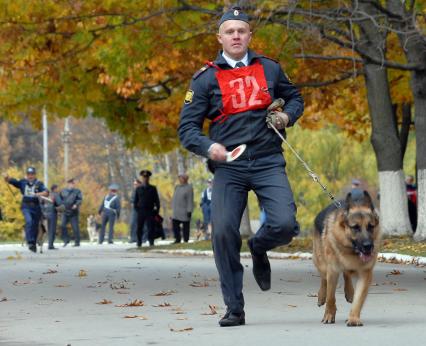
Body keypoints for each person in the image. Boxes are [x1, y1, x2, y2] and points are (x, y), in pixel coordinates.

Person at [178, 6, 304, 327]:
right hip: (228, 167)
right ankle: (234, 307)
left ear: (250, 35)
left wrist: (286, 115)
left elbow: (295, 98)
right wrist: (210, 148)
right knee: (222, 232)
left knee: (286, 225)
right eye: (230, 31)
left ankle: (259, 247)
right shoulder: (205, 79)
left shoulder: (271, 69)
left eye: (241, 31)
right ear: (219, 37)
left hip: (267, 161)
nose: (236, 36)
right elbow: (187, 129)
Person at [3, 167, 48, 252]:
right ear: (27, 175)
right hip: (26, 206)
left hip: (36, 207)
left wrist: (38, 193)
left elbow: (46, 192)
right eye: (29, 174)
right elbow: (12, 181)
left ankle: (33, 243)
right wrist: (6, 177)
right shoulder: (22, 182)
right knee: (29, 221)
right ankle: (30, 241)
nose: (30, 176)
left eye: (32, 174)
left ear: (34, 175)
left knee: (35, 226)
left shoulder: (39, 183)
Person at [134, 170, 160, 247]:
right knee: (139, 227)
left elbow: (157, 200)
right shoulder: (138, 189)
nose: (145, 179)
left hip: (150, 210)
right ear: (142, 178)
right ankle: (139, 242)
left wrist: (156, 210)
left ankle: (151, 241)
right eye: (144, 177)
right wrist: (137, 210)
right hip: (141, 211)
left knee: (151, 227)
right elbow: (135, 201)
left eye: (147, 177)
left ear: (149, 178)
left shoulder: (153, 188)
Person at [58, 178, 83, 247]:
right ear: (68, 184)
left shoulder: (77, 191)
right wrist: (59, 209)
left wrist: (76, 204)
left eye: (73, 184)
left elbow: (80, 199)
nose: (72, 185)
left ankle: (77, 242)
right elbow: (59, 200)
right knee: (62, 225)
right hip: (65, 211)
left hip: (73, 212)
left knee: (75, 228)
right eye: (71, 183)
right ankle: (66, 240)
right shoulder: (63, 191)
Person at [171, 173, 194, 243]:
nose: (180, 179)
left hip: (184, 210)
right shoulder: (177, 187)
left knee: (186, 226)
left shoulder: (189, 188)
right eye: (179, 178)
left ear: (185, 179)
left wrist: (189, 210)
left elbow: (190, 200)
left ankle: (186, 239)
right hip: (176, 211)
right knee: (175, 225)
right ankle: (177, 239)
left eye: (181, 178)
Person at [41, 184, 60, 250]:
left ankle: (44, 243)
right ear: (55, 189)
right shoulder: (55, 195)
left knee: (48, 230)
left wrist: (43, 211)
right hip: (52, 214)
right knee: (52, 230)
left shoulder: (46, 195)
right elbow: (59, 203)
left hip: (45, 214)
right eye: (57, 188)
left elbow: (41, 203)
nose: (58, 190)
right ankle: (50, 245)